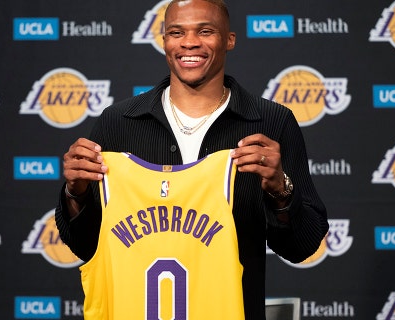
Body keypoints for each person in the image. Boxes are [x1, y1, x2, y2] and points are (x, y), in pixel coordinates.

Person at [55, 0, 328, 318]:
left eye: (205, 31)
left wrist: (281, 191)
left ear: (230, 39)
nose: (189, 42)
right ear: (164, 41)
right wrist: (75, 194)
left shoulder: (270, 123)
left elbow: (303, 246)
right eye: (176, 32)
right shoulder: (118, 122)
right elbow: (87, 247)